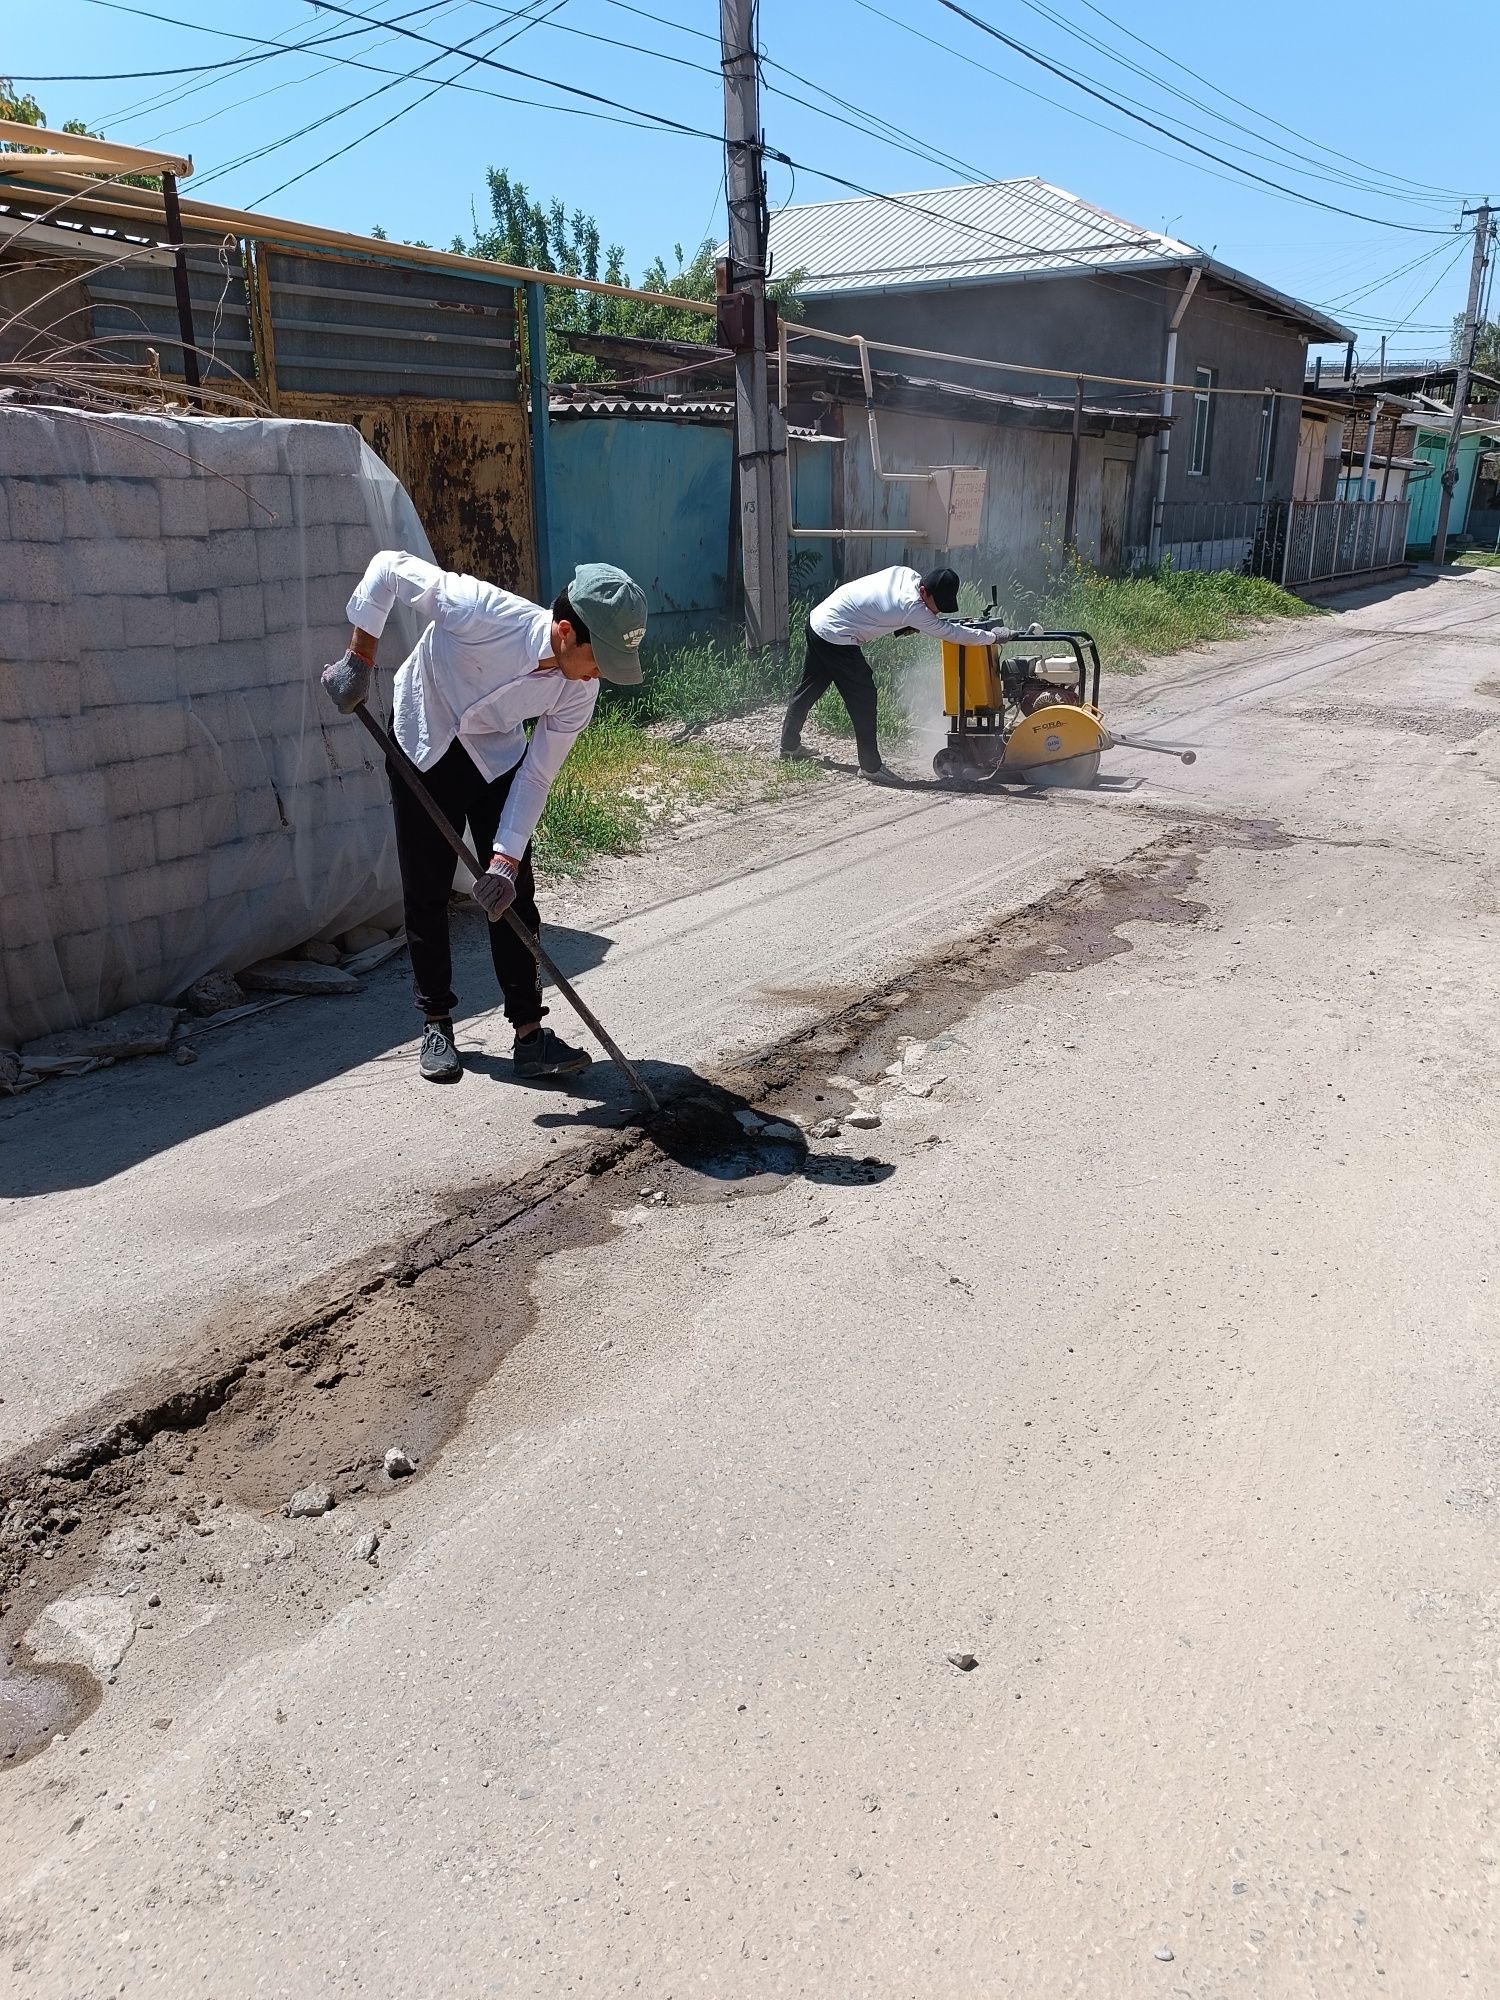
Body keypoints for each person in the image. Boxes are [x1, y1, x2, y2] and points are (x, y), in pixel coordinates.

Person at [322, 554, 647, 1085]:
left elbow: (537, 775)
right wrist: (360, 657)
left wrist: (504, 858)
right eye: (598, 658)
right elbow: (386, 567)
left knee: (514, 891)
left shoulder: (578, 690)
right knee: (426, 889)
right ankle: (437, 1024)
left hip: (492, 753)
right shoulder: (481, 610)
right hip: (423, 735)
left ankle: (529, 1035)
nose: (600, 674)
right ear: (565, 632)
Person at [780, 564, 1001, 781]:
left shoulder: (906, 574)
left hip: (819, 619)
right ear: (923, 591)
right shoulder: (913, 608)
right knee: (864, 696)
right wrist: (993, 637)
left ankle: (789, 746)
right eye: (937, 605)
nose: (938, 611)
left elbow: (881, 606)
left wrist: (904, 625)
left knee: (811, 686)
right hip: (835, 633)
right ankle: (871, 767)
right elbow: (951, 633)